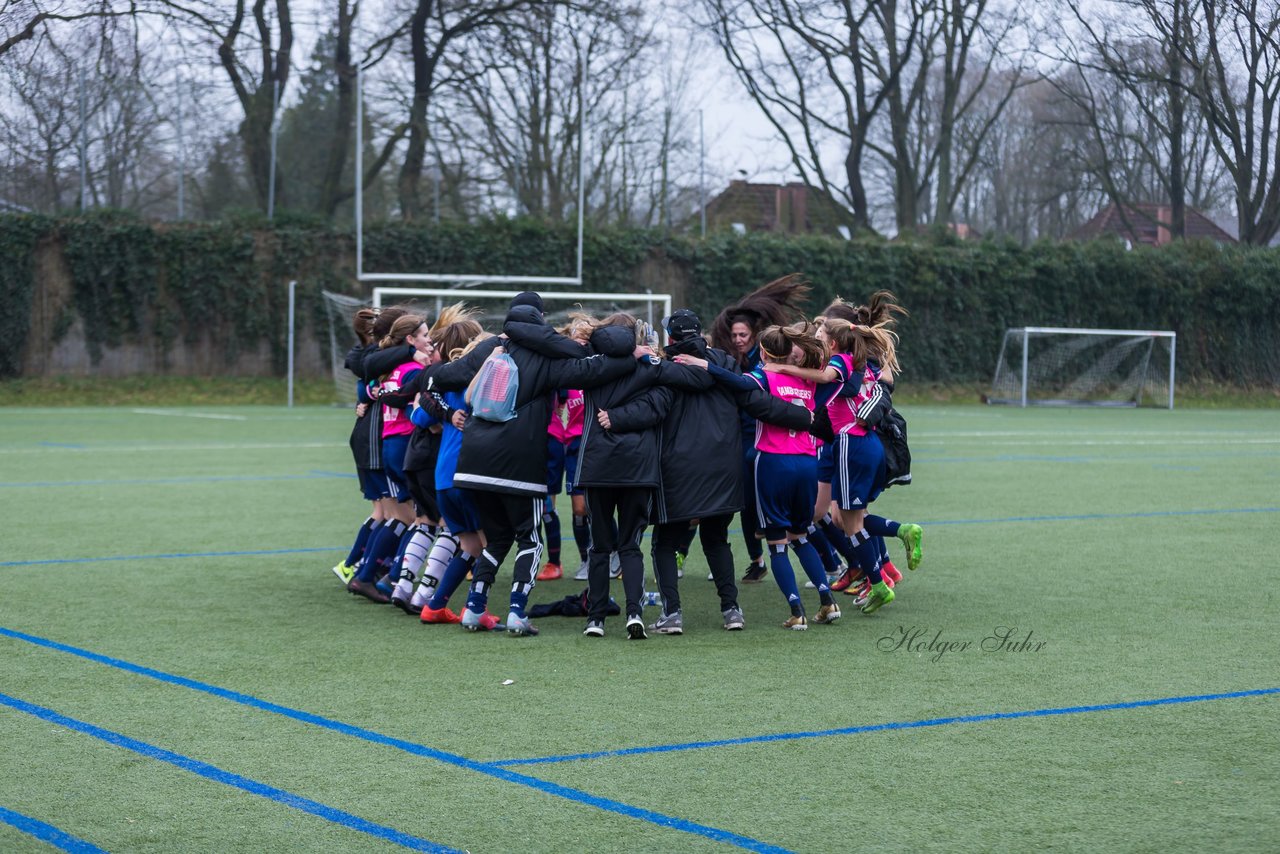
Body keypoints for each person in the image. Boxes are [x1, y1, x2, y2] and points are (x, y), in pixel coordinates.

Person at [416, 292, 644, 637]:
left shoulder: (488, 348)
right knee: (530, 540)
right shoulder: (548, 358)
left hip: (472, 462)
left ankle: (475, 608)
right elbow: (594, 369)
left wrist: (436, 389)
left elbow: (441, 377)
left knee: (496, 539)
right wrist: (636, 357)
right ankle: (516, 612)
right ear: (540, 318)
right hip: (519, 465)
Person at [648, 309, 813, 634]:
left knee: (665, 542)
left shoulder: (663, 367)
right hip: (724, 466)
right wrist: (804, 417)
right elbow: (757, 403)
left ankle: (672, 614)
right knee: (717, 539)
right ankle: (731, 610)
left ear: (670, 338)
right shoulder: (725, 364)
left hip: (678, 467)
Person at [679, 321, 837, 629]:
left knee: (777, 543)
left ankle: (796, 612)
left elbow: (736, 382)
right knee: (801, 536)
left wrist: (703, 363)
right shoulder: (806, 380)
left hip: (773, 462)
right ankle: (827, 601)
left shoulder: (763, 375)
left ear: (763, 351)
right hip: (807, 462)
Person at [769, 318, 923, 614]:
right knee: (848, 519)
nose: (815, 335)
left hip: (851, 444)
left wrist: (782, 368)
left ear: (833, 342)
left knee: (852, 523)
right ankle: (889, 557)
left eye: (819, 333)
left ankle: (880, 579)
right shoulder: (859, 361)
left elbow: (825, 377)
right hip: (866, 445)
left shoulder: (842, 360)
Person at [709, 275, 811, 584]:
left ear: (756, 336)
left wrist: (706, 368)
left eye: (743, 334)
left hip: (765, 440)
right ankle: (757, 559)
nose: (738, 339)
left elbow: (747, 389)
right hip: (742, 437)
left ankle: (828, 562)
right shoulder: (735, 357)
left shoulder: (766, 363)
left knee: (778, 511)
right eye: (735, 334)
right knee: (742, 502)